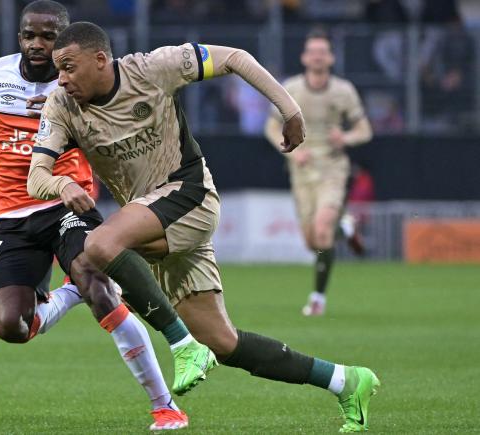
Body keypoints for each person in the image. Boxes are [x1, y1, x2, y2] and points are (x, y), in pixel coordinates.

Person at [28, 22, 380, 433]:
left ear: (101, 59)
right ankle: (345, 380)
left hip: (188, 194)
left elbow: (234, 58)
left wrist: (290, 109)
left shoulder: (153, 68)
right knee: (223, 343)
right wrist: (62, 182)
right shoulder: (61, 106)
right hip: (149, 216)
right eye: (59, 69)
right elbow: (37, 176)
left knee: (99, 246)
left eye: (69, 67)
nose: (62, 78)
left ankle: (180, 345)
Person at [0, 1, 214, 430]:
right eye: (28, 35)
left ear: (66, 39)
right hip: (14, 216)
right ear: (18, 37)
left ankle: (165, 405)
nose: (37, 45)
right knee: (11, 326)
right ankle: (73, 289)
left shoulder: (78, 82)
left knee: (101, 291)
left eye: (48, 36)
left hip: (67, 206)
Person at [264, 28, 373, 316]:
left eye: (322, 51)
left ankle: (318, 300)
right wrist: (294, 151)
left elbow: (365, 130)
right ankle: (345, 229)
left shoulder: (344, 90)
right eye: (312, 51)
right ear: (304, 57)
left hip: (333, 169)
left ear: (331, 58)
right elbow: (272, 126)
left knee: (322, 230)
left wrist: (346, 138)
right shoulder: (292, 89)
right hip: (302, 171)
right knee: (313, 241)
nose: (317, 57)